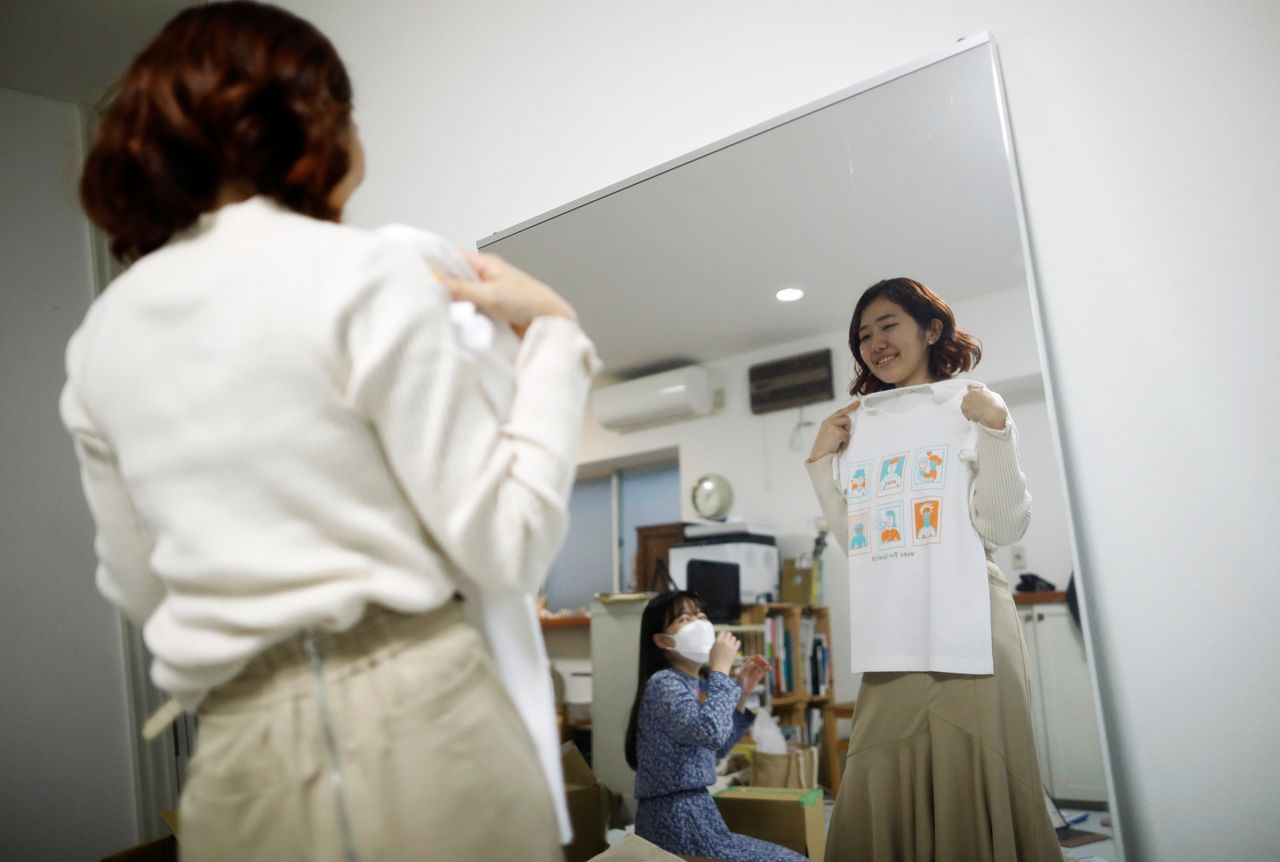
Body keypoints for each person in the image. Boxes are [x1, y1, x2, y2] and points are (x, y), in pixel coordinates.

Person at [63, 3, 598, 860]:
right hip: (426, 726)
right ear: (311, 115)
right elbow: (507, 544)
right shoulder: (366, 272)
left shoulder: (101, 339)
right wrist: (558, 337)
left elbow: (140, 587)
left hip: (238, 754)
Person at [805, 277, 1061, 861]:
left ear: (931, 329)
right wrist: (822, 464)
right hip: (892, 625)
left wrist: (995, 430)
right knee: (880, 767)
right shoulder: (858, 427)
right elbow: (862, 543)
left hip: (971, 616)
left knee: (981, 769)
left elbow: (1002, 528)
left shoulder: (973, 405)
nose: (874, 343)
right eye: (863, 335)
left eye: (887, 325)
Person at [625, 591, 807, 862]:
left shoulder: (688, 684)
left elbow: (714, 749)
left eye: (701, 616)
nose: (699, 623)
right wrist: (721, 670)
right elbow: (710, 732)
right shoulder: (665, 683)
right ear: (663, 641)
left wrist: (742, 692)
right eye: (685, 619)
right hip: (676, 819)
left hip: (695, 814)